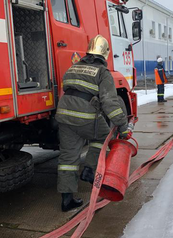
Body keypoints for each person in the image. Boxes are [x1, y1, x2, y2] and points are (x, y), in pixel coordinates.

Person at [55, 35, 130, 212]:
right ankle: (89, 169)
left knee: (68, 157)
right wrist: (122, 126)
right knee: (103, 137)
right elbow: (110, 102)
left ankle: (67, 200)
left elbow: (67, 87)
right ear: (104, 54)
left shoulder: (73, 67)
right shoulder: (103, 73)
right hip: (85, 116)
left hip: (64, 115)